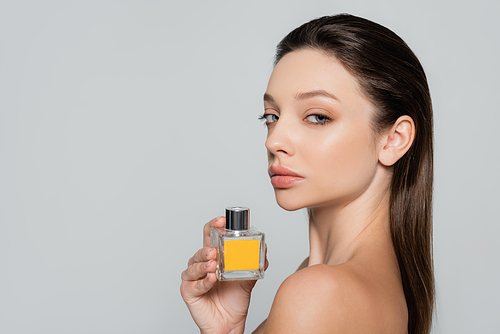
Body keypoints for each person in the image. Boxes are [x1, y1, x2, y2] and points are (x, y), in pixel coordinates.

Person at [180, 13, 434, 334]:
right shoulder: (363, 284)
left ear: (393, 140)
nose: (274, 140)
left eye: (317, 117)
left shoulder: (318, 293)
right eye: (271, 116)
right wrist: (226, 329)